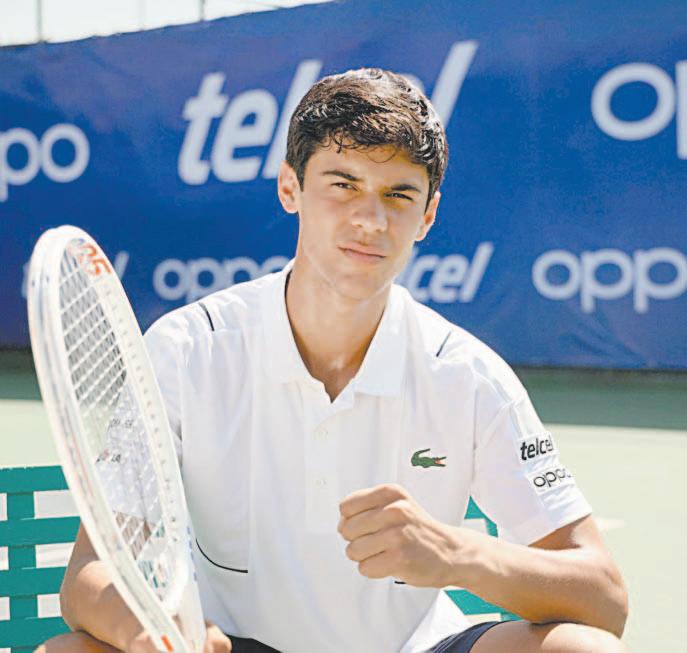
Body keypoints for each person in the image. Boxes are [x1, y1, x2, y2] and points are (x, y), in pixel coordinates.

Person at [38, 68, 629, 653]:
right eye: (343, 184)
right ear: (289, 187)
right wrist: (153, 634)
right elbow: (89, 575)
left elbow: (604, 597)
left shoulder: (468, 375)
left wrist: (458, 554)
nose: (371, 220)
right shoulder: (187, 349)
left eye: (399, 195)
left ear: (427, 216)